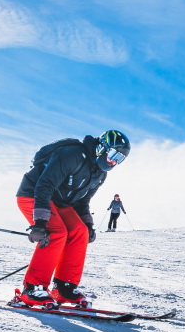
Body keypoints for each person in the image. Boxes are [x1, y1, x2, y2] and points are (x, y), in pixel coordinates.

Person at [14, 130, 130, 307]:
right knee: (57, 232)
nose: (114, 161)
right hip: (34, 195)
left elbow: (83, 200)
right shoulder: (72, 154)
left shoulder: (100, 173)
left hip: (60, 203)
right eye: (114, 154)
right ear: (102, 148)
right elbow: (44, 185)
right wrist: (40, 223)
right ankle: (32, 288)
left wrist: (88, 225)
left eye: (120, 159)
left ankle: (64, 287)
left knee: (80, 232)